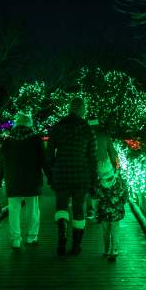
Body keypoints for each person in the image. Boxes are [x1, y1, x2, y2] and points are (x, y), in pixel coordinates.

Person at [47, 97, 97, 256]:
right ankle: (76, 246)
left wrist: (51, 173)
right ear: (82, 109)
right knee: (78, 209)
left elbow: (49, 153)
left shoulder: (58, 126)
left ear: (69, 108)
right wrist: (93, 180)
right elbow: (92, 158)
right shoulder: (87, 129)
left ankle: (62, 237)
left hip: (61, 173)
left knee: (61, 206)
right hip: (81, 175)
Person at [0, 112, 49, 249]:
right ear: (29, 124)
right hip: (32, 181)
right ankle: (31, 237)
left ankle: (16, 240)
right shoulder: (36, 140)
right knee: (33, 209)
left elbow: (1, 162)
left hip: (13, 181)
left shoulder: (7, 141)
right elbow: (44, 161)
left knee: (14, 209)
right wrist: (51, 177)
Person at [96, 162, 129, 262]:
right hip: (116, 211)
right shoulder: (119, 182)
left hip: (104, 211)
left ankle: (106, 249)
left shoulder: (99, 183)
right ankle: (114, 250)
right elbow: (125, 194)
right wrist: (121, 203)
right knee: (115, 230)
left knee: (106, 231)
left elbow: (96, 196)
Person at [87, 119, 118, 221]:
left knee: (91, 187)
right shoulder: (104, 134)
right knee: (104, 186)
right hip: (103, 165)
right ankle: (102, 209)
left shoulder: (84, 133)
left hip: (88, 165)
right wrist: (116, 165)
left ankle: (91, 209)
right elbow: (112, 152)